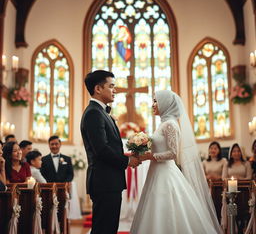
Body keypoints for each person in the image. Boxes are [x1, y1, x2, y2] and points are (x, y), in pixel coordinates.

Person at [130, 90, 222, 234]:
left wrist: (149, 156)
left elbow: (173, 153)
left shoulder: (170, 125)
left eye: (156, 101)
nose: (153, 105)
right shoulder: (163, 124)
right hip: (156, 171)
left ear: (166, 103)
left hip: (165, 173)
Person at [80, 70, 140, 234]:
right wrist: (128, 162)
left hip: (108, 180)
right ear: (98, 89)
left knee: (109, 228)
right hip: (104, 181)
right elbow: (102, 150)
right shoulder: (94, 113)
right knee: (103, 229)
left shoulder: (101, 112)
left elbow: (108, 147)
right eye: (111, 86)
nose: (115, 90)